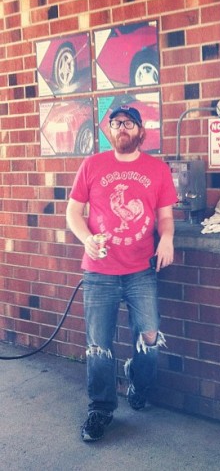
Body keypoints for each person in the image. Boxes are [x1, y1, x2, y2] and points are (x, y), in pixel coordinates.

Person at [66, 105, 178, 442]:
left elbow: (165, 216)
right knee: (99, 346)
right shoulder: (92, 165)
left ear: (140, 130)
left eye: (128, 123)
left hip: (141, 270)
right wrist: (87, 240)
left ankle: (137, 380)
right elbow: (73, 212)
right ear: (109, 131)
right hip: (100, 272)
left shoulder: (157, 169)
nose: (121, 128)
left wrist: (168, 238)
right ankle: (101, 409)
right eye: (115, 124)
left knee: (150, 340)